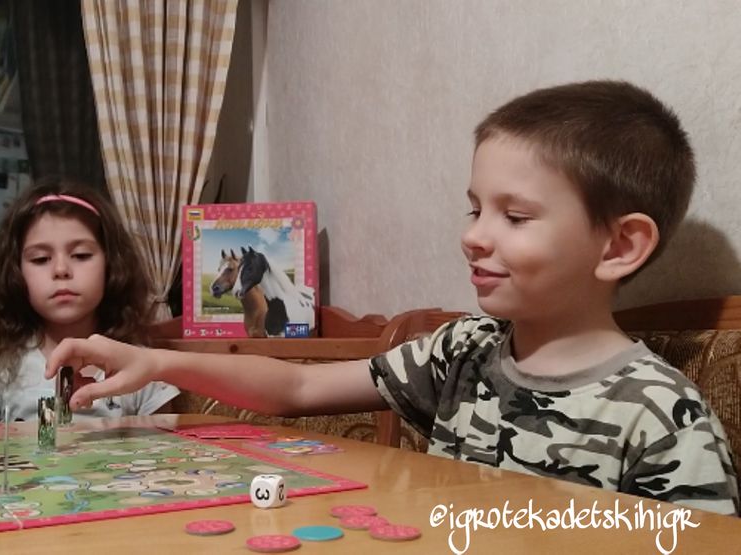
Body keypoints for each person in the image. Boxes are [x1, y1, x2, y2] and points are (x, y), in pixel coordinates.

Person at [44, 80, 739, 515]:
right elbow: (294, 387)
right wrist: (157, 361)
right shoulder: (461, 351)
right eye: (474, 209)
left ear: (619, 246)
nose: (473, 236)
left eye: (515, 216)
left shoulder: (663, 417)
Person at [0, 180, 179, 423]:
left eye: (81, 255)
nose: (61, 270)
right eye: (41, 259)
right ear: (16, 274)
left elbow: (164, 444)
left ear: (111, 266)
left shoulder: (141, 367)